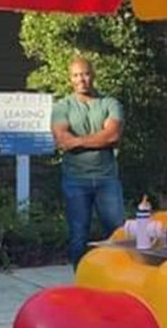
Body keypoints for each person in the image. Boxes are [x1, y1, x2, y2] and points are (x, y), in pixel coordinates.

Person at [51, 56, 125, 268]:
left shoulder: (110, 103)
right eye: (76, 75)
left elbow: (112, 136)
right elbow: (62, 141)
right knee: (78, 235)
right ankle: (80, 281)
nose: (81, 79)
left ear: (93, 75)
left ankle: (116, 276)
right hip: (75, 180)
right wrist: (98, 138)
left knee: (117, 232)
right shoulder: (62, 106)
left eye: (84, 73)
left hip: (106, 179)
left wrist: (78, 141)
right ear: (70, 79)